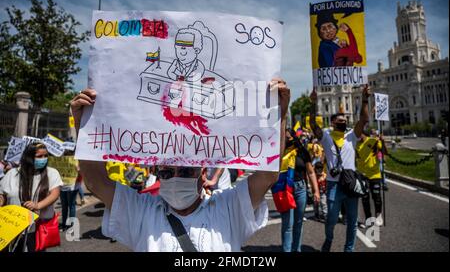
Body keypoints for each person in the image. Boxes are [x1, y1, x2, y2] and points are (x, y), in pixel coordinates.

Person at [70, 78, 290, 252]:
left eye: (185, 170)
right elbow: (96, 181)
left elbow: (267, 176)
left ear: (202, 172)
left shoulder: (227, 207)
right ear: (157, 173)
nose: (175, 177)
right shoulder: (141, 211)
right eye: (166, 172)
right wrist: (85, 125)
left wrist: (278, 115)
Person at [309, 84, 370, 252]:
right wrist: (313, 103)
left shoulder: (352, 136)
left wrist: (365, 99)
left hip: (350, 183)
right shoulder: (327, 138)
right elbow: (313, 124)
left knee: (352, 220)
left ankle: (348, 249)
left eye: (345, 120)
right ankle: (329, 238)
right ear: (334, 122)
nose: (343, 122)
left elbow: (364, 120)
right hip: (333, 185)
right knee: (331, 218)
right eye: (340, 120)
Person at [0, 143, 63, 251]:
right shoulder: (12, 174)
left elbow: (55, 194)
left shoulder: (52, 173)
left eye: (46, 156)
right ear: (28, 157)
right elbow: (3, 196)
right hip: (12, 229)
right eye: (39, 156)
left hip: (37, 229)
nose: (43, 159)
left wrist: (38, 205)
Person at [280, 128, 320, 252]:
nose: (286, 140)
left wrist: (316, 191)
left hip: (300, 189)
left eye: (288, 137)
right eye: (283, 138)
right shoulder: (279, 151)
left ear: (294, 138)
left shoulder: (302, 152)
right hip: (285, 189)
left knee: (298, 223)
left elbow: (311, 172)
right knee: (287, 224)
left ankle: (296, 249)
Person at [356, 131, 384, 228]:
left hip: (375, 174)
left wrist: (382, 141)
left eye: (359, 133)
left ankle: (378, 216)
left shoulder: (373, 141)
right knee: (365, 198)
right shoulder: (356, 144)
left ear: (363, 133)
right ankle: (368, 219)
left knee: (376, 197)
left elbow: (383, 150)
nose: (357, 135)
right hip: (363, 175)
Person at [59, 161, 80, 231]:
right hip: (62, 185)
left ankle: (71, 225)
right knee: (64, 206)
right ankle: (64, 224)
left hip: (72, 186)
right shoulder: (61, 159)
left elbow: (80, 172)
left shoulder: (76, 160)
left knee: (71, 205)